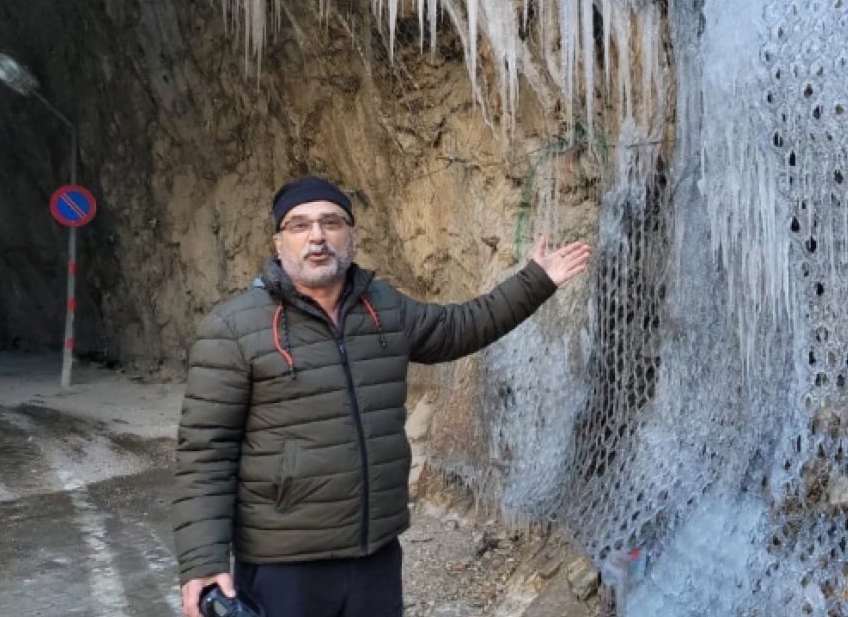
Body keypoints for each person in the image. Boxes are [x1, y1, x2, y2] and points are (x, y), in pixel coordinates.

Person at [172, 175, 592, 617]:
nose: (317, 236)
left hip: (374, 555)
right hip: (284, 562)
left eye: (331, 222)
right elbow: (206, 453)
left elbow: (461, 327)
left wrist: (537, 280)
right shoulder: (234, 328)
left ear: (352, 236)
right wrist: (202, 560)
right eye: (299, 225)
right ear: (279, 243)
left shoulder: (383, 307)